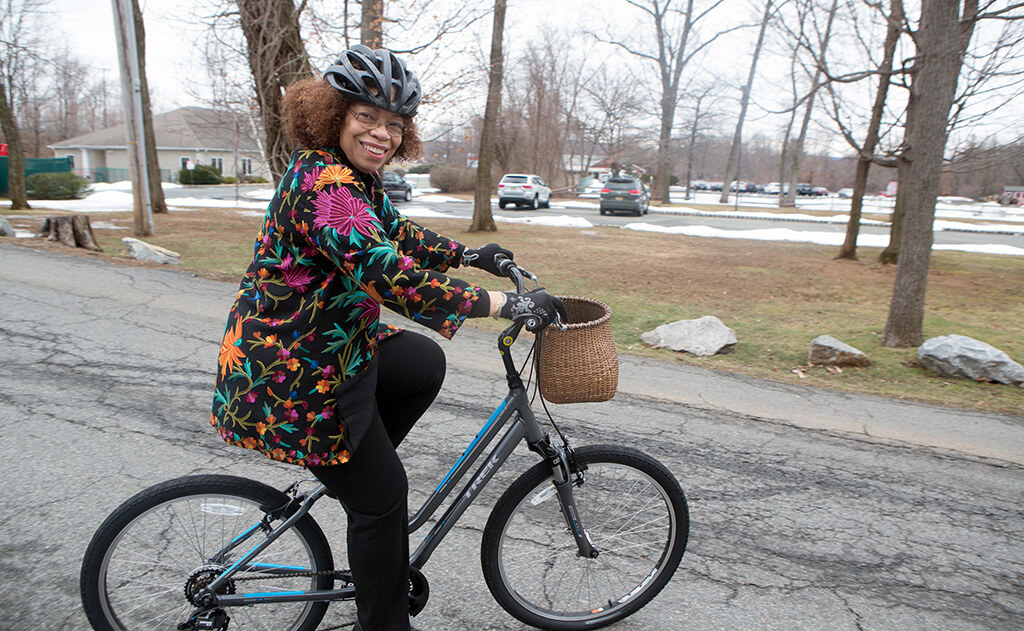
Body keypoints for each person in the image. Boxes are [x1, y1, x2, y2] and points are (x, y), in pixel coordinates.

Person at [210, 45, 566, 631]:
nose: (382, 134)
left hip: (323, 350)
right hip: (287, 374)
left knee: (421, 360)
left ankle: (357, 476)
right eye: (367, 118)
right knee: (383, 499)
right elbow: (386, 273)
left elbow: (396, 233)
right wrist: (503, 302)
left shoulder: (354, 179)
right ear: (334, 114)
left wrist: (469, 254)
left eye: (395, 126)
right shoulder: (324, 187)